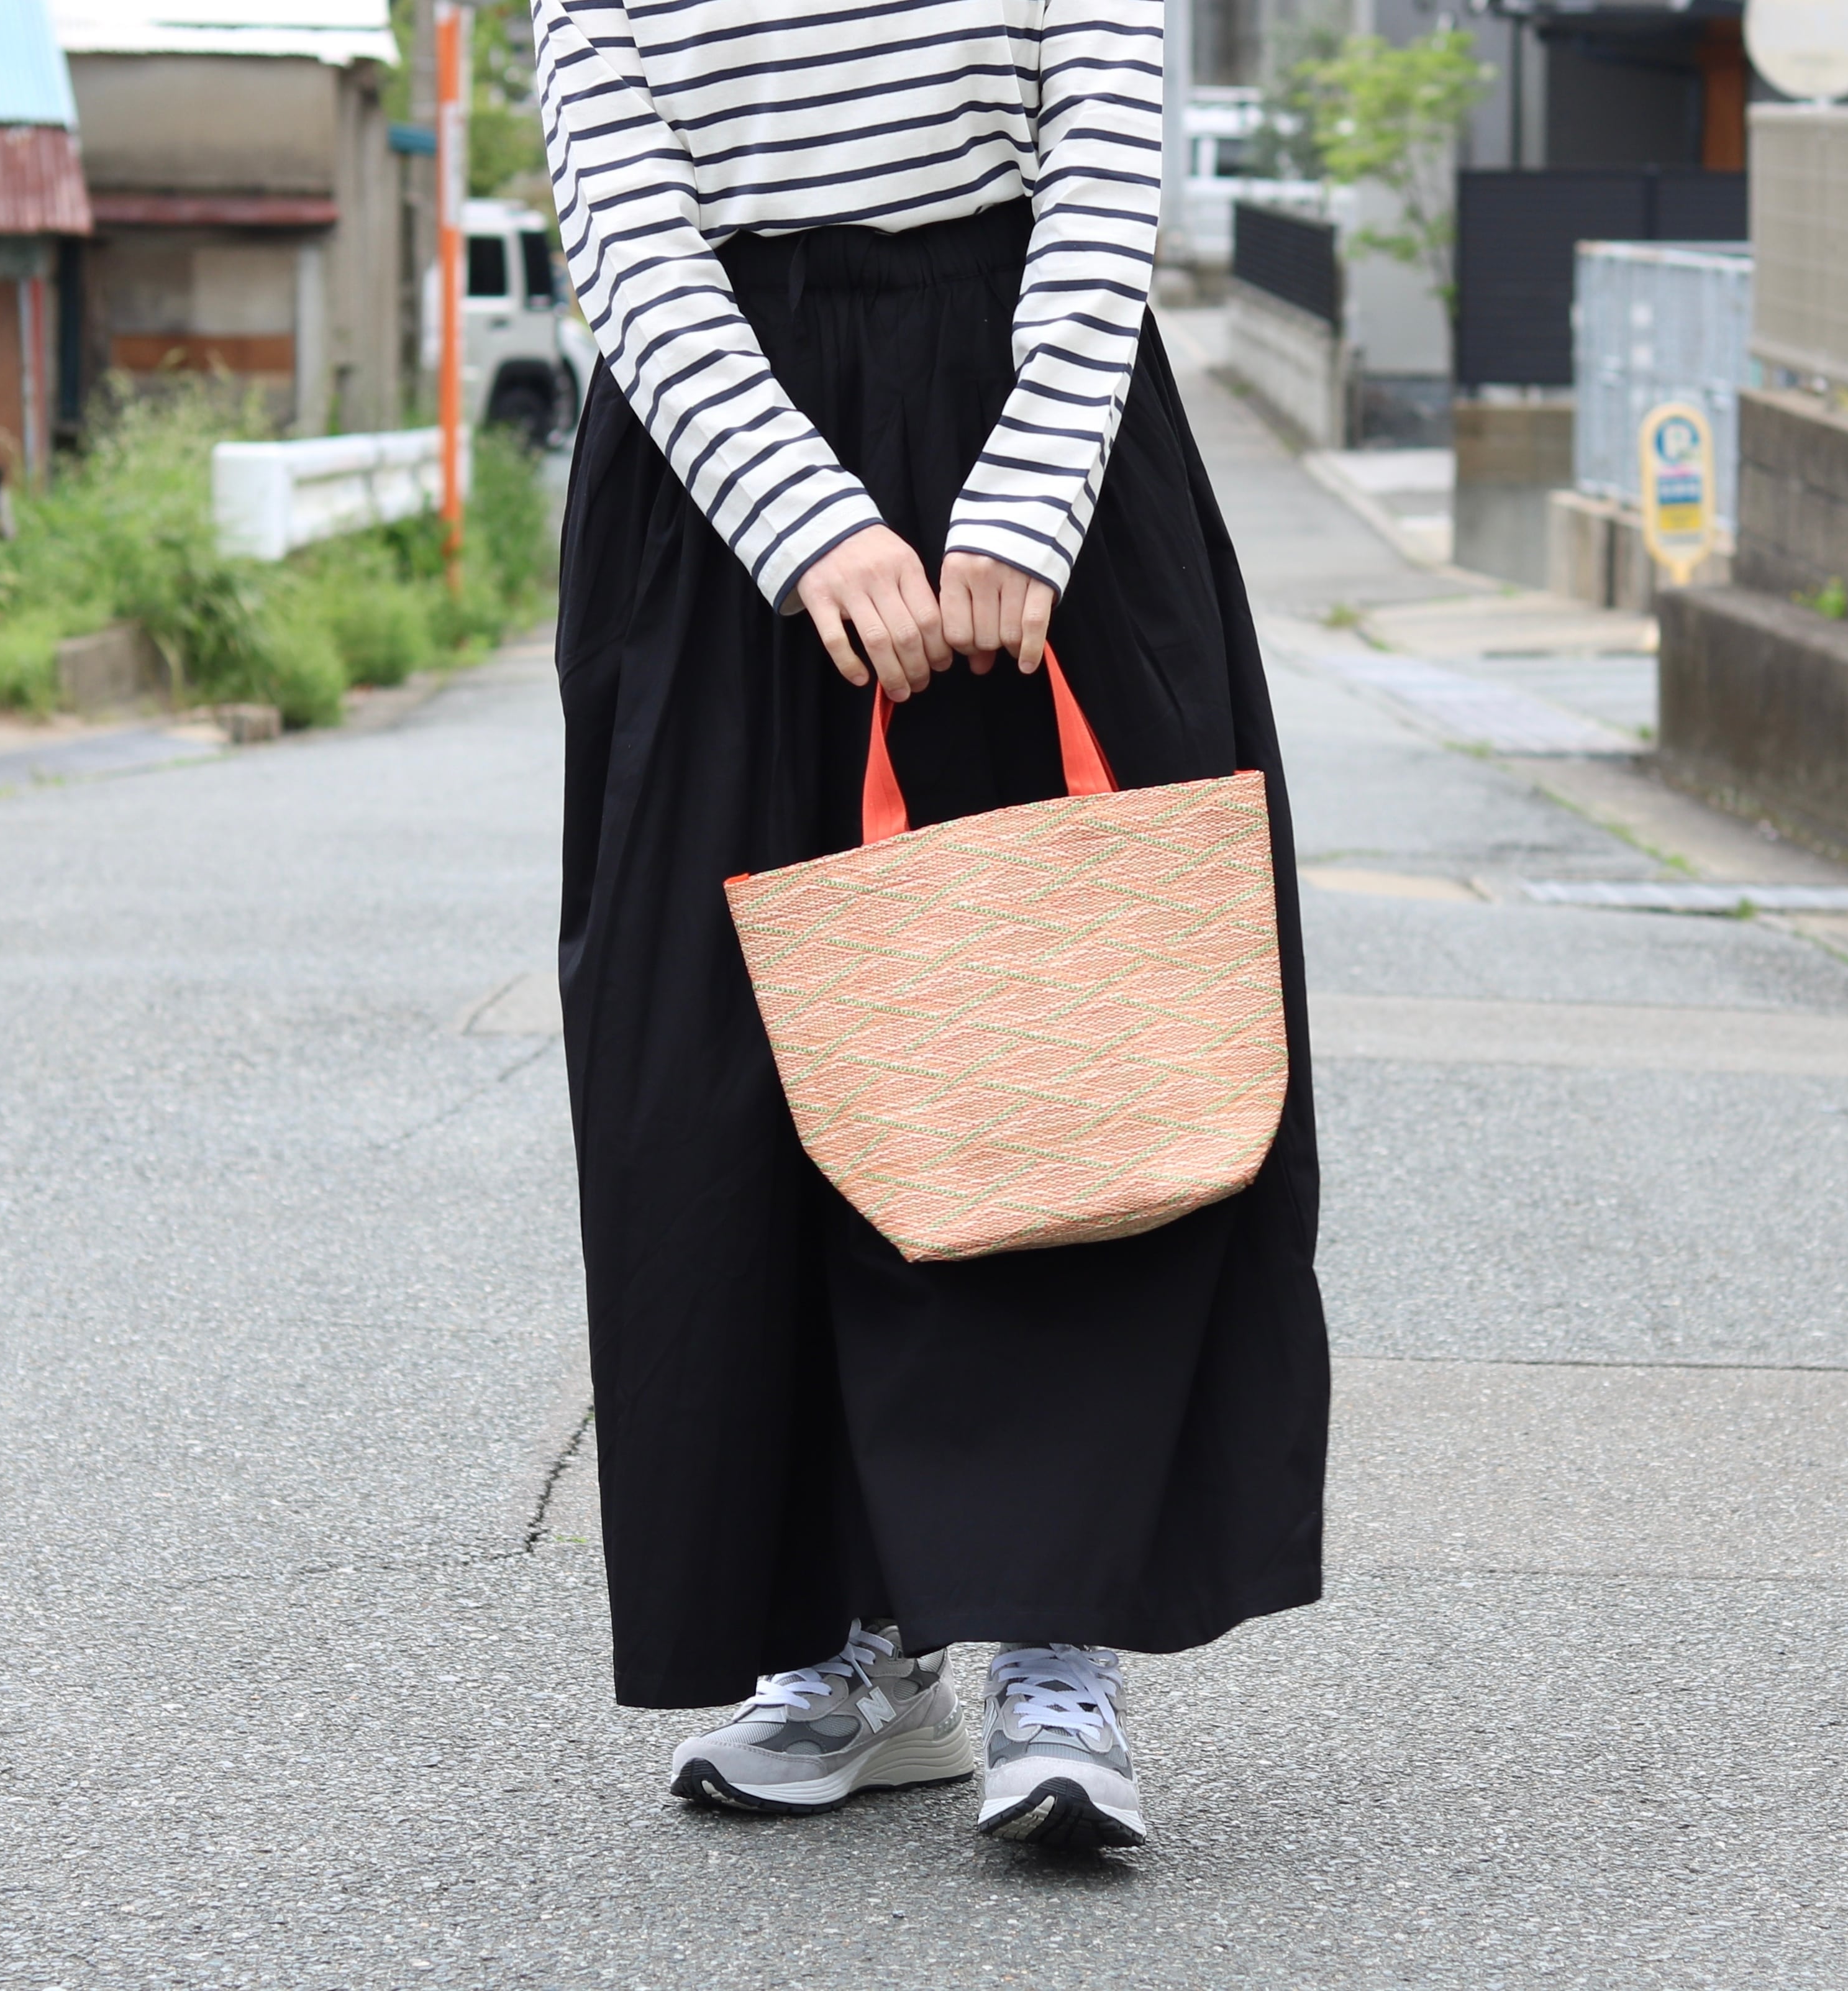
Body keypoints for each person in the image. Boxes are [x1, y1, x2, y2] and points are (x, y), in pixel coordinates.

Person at [532, 0, 1331, 1851]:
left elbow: (1105, 142)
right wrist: (805, 520)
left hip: (1036, 433)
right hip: (715, 482)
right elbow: (623, 223)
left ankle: (1058, 1642)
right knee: (728, 1069)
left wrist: (1031, 500)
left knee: (1057, 1036)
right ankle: (846, 1645)